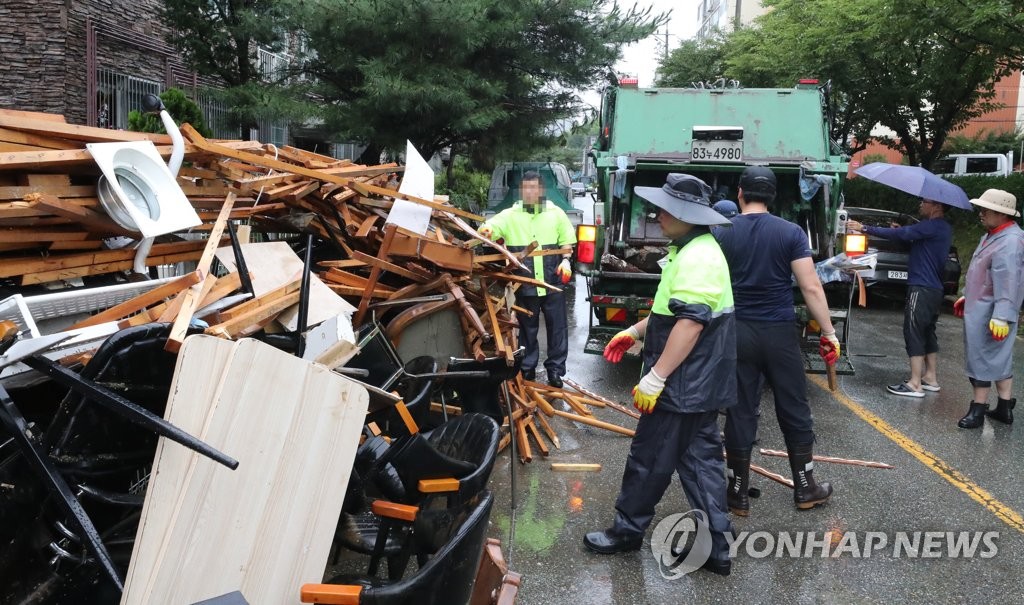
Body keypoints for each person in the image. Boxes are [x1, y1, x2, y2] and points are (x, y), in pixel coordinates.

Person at [585, 173, 736, 575]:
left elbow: (690, 324)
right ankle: (716, 547)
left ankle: (627, 530)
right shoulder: (690, 250)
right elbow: (669, 311)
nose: (658, 213)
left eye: (668, 208)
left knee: (649, 458)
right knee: (701, 462)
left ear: (690, 214)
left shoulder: (700, 256)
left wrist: (656, 377)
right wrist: (634, 331)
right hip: (698, 384)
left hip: (683, 384)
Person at [715, 166, 839, 516]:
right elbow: (810, 286)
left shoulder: (721, 231)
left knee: (740, 410)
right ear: (773, 196)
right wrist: (829, 333)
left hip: (737, 331)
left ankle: (736, 492)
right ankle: (805, 487)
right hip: (779, 332)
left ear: (740, 193)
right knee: (793, 407)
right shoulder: (791, 232)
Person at [478, 171, 576, 387]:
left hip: (552, 282)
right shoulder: (509, 215)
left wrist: (566, 260)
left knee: (557, 328)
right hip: (525, 283)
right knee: (527, 328)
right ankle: (527, 369)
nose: (530, 192)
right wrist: (485, 230)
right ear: (521, 191)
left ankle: (555, 371)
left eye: (534, 187)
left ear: (541, 190)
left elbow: (567, 241)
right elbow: (491, 228)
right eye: (526, 188)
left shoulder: (556, 213)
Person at [847, 198, 952, 397]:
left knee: (913, 331)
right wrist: (899, 232)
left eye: (925, 201)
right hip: (934, 288)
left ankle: (914, 384)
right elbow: (910, 243)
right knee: (927, 331)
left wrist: (864, 228)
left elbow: (903, 233)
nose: (921, 204)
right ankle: (930, 378)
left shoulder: (931, 226)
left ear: (937, 206)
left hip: (921, 287)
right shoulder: (941, 228)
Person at [953, 189, 1024, 429]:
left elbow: (1009, 280)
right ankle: (1004, 408)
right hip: (984, 307)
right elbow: (984, 274)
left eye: (986, 209)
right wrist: (967, 295)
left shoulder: (1009, 241)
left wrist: (1002, 316)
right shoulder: (994, 235)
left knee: (982, 358)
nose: (981, 213)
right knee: (999, 358)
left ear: (1001, 213)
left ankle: (978, 409)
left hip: (993, 312)